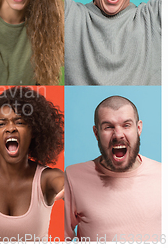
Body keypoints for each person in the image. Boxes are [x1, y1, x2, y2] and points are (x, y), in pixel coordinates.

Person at [0, 87, 64, 241]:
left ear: (33, 131)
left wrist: (74, 191)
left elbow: (66, 185)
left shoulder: (48, 178)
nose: (10, 128)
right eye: (0, 124)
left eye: (19, 122)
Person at [65, 96, 161, 241]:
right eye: (108, 127)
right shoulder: (73, 177)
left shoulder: (162, 175)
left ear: (139, 128)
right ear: (96, 133)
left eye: (126, 125)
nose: (118, 135)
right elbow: (56, 237)